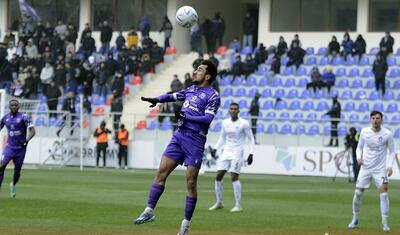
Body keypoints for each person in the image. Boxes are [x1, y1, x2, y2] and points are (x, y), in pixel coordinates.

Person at [134, 60, 220, 235]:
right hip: (179, 136)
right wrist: (156, 99)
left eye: (200, 70)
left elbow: (207, 120)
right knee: (160, 173)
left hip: (195, 140)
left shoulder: (213, 96)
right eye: (196, 68)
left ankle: (185, 225)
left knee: (190, 182)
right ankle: (149, 211)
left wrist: (185, 117)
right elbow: (172, 96)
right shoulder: (190, 89)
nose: (196, 71)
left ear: (208, 76)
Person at [348, 111, 395, 232]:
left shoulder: (387, 134)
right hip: (366, 168)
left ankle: (384, 223)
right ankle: (355, 218)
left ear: (381, 120)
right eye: (373, 118)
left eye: (378, 118)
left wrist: (389, 166)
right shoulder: (364, 132)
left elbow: (392, 152)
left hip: (380, 170)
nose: (375, 120)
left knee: (384, 193)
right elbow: (359, 148)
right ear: (370, 120)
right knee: (358, 193)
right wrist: (359, 158)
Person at [208, 102, 255, 213]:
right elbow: (222, 138)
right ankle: (219, 202)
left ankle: (238, 205)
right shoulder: (225, 122)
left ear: (238, 111)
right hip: (226, 151)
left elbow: (251, 139)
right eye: (231, 109)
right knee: (218, 176)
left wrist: (251, 153)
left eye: (235, 109)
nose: (233, 110)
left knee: (234, 176)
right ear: (229, 111)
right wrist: (215, 148)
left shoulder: (244, 123)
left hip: (237, 152)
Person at [0, 99, 36, 198]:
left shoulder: (24, 117)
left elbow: (33, 131)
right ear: (9, 107)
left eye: (16, 105)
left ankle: (13, 185)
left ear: (19, 107)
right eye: (12, 105)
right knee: (2, 166)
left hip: (20, 149)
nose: (14, 107)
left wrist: (27, 140)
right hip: (9, 147)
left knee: (17, 171)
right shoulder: (5, 118)